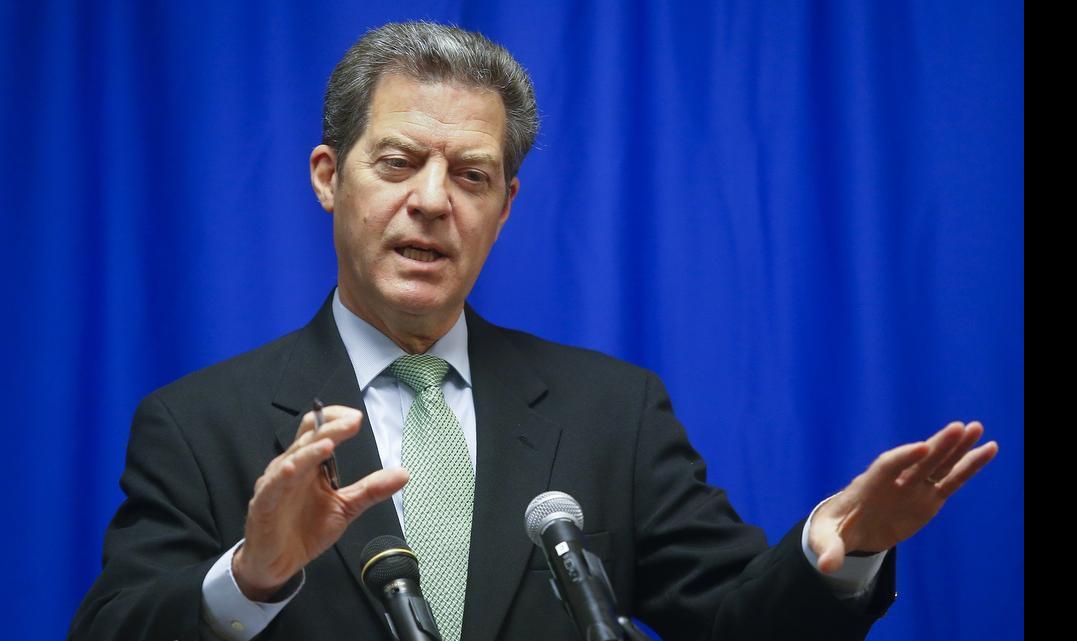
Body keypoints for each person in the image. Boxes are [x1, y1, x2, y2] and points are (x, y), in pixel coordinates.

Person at [68, 21, 997, 641]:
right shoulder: (199, 422)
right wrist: (253, 574)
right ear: (326, 176)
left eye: (470, 176)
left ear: (506, 206)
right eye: (397, 162)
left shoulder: (612, 411)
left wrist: (837, 551)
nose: (431, 202)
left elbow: (733, 618)